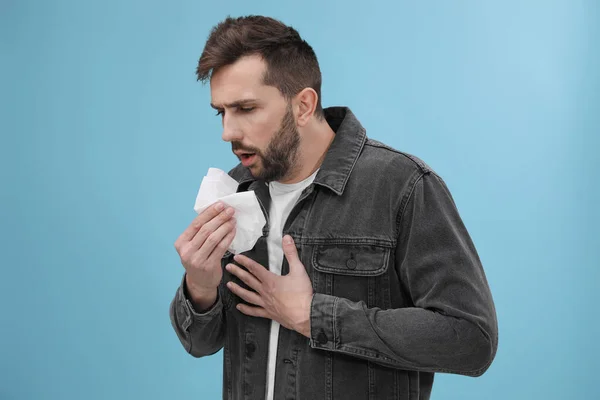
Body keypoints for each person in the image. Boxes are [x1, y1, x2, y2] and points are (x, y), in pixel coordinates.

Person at [170, 15, 498, 400]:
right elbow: (201, 343)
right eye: (220, 112)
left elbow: (472, 340)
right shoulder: (237, 188)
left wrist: (314, 316)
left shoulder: (402, 186)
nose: (227, 132)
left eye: (245, 108)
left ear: (304, 106)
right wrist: (200, 287)